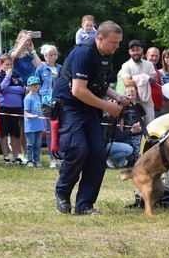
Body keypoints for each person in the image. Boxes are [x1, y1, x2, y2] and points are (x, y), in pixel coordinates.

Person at [53, 21, 129, 215]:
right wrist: (108, 106)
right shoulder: (83, 54)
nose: (117, 47)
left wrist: (118, 97)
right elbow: (78, 90)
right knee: (79, 149)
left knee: (97, 154)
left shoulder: (105, 55)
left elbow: (99, 85)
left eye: (118, 42)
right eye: (113, 42)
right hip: (71, 107)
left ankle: (85, 205)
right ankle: (62, 192)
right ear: (100, 38)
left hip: (90, 109)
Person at [0, 54, 26, 165]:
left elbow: (22, 89)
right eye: (6, 64)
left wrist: (10, 89)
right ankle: (5, 156)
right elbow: (2, 89)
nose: (9, 66)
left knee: (15, 133)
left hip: (15, 108)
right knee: (4, 132)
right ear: (2, 64)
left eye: (11, 64)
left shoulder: (16, 74)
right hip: (3, 107)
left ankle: (16, 156)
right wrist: (7, 77)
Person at [120, 39, 159, 124]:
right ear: (129, 52)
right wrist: (145, 79)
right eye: (133, 50)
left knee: (150, 128)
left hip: (147, 103)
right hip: (132, 103)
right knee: (134, 129)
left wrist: (135, 79)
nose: (135, 52)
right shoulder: (126, 65)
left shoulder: (149, 65)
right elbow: (127, 82)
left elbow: (154, 80)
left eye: (137, 49)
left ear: (141, 50)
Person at [35, 44, 62, 168]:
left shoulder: (61, 68)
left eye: (55, 54)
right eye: (50, 55)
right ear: (45, 56)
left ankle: (61, 155)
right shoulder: (40, 69)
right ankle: (53, 158)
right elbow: (36, 87)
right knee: (50, 131)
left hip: (59, 102)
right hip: (46, 103)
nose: (53, 57)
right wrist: (38, 106)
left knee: (61, 129)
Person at [24, 76, 45, 168]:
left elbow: (39, 109)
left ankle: (37, 160)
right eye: (33, 85)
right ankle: (29, 160)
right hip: (30, 126)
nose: (36, 86)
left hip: (39, 125)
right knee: (30, 144)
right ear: (29, 86)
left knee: (38, 144)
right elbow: (26, 112)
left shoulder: (38, 97)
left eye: (37, 84)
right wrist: (32, 116)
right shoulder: (28, 98)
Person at [146, 47, 165, 117]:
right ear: (147, 55)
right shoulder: (143, 69)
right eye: (152, 55)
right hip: (149, 107)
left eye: (156, 56)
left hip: (159, 107)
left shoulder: (157, 71)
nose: (154, 58)